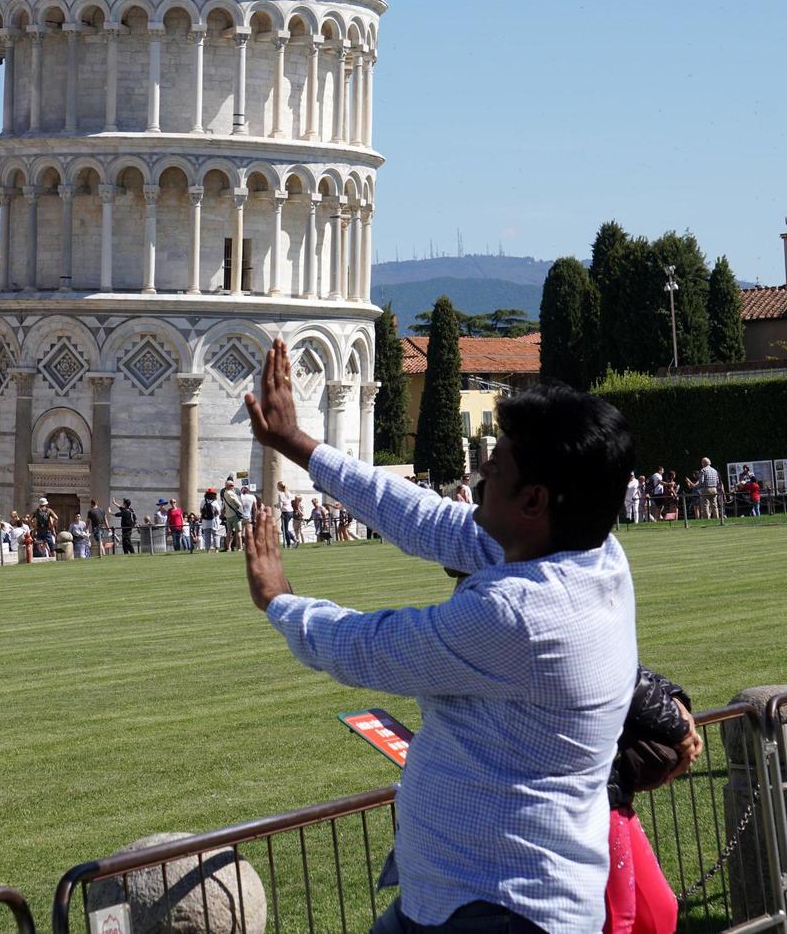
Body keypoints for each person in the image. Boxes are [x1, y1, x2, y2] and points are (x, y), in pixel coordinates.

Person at [241, 340, 638, 934]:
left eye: (495, 466)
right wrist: (299, 444)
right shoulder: (590, 552)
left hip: (498, 909)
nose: (480, 474)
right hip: (465, 896)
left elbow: (371, 647)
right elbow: (423, 519)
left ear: (532, 500)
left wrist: (280, 601)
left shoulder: (520, 615)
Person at [605, 667, 701, 934]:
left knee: (658, 911)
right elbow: (617, 672)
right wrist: (678, 729)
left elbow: (624, 659)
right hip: (585, 795)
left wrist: (674, 697)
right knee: (620, 919)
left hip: (610, 793)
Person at [221, 477, 242, 551]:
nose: (233, 487)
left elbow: (223, 506)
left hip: (228, 515)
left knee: (228, 533)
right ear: (229, 486)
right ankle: (240, 547)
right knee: (238, 532)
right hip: (234, 515)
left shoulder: (224, 493)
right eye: (232, 485)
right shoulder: (231, 493)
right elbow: (239, 504)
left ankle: (228, 548)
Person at [200, 488, 220, 552]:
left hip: (205, 521)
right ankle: (216, 549)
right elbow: (218, 511)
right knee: (215, 535)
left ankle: (208, 550)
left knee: (207, 536)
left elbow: (201, 511)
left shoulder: (203, 501)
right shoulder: (215, 502)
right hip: (214, 521)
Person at [277, 482, 297, 548]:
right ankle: (294, 539)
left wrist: (277, 506)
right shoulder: (288, 493)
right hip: (290, 511)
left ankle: (289, 544)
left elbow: (280, 505)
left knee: (285, 529)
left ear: (279, 487)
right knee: (284, 528)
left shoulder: (280, 494)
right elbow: (292, 499)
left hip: (285, 512)